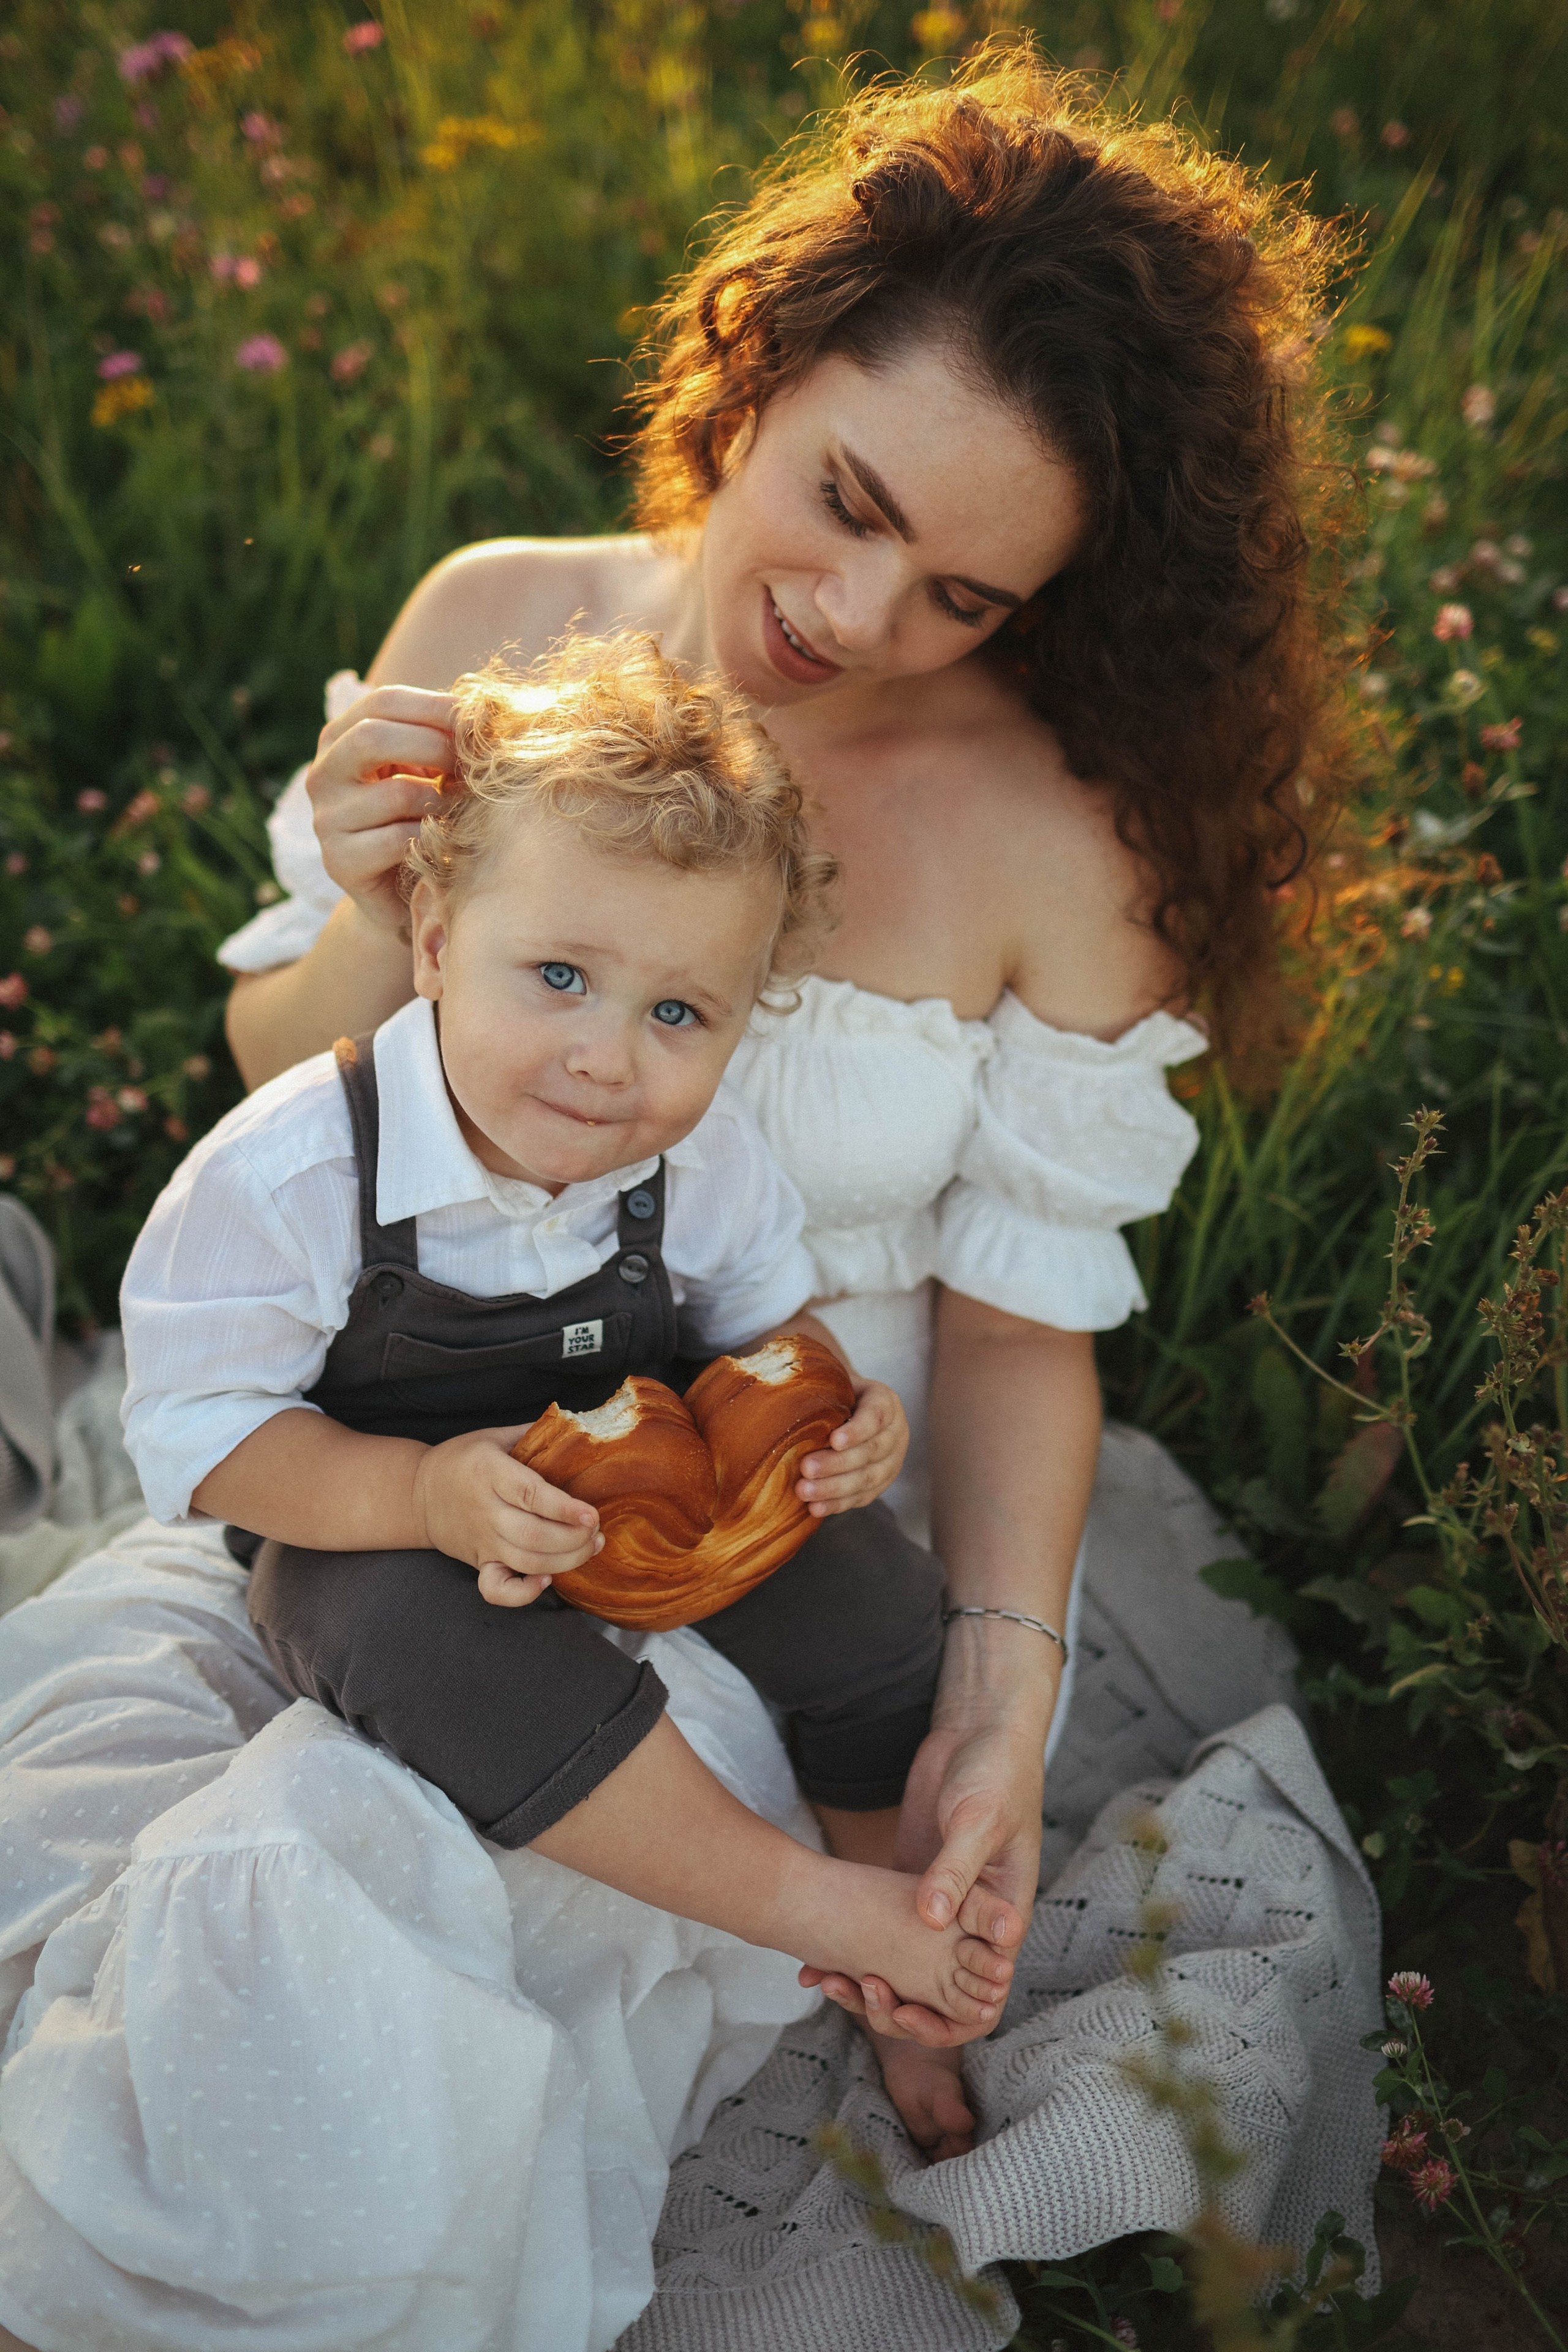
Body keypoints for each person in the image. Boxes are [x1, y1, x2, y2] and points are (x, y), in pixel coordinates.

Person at [0, 45, 1349, 2351]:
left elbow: (1023, 1320)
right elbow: (295, 1082)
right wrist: (356, 895)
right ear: (766, 349)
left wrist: (1000, 1700)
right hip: (427, 1428)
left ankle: (838, 1896)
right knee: (326, 1848)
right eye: (839, 498)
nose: (851, 613)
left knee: (764, 1740)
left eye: (963, 593)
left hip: (806, 1479)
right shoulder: (505, 618)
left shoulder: (1059, 834)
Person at [119, 637, 1014, 2034]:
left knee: (869, 1596)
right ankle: (799, 1905)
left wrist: (834, 1409)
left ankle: (894, 1905)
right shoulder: (296, 1174)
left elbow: (764, 1321)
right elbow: (205, 1433)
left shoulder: (696, 1162)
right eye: (555, 976)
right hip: (376, 1508)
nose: (607, 1058)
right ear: (431, 942)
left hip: (641, 1482)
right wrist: (417, 1491)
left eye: (676, 1013)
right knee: (386, 1627)